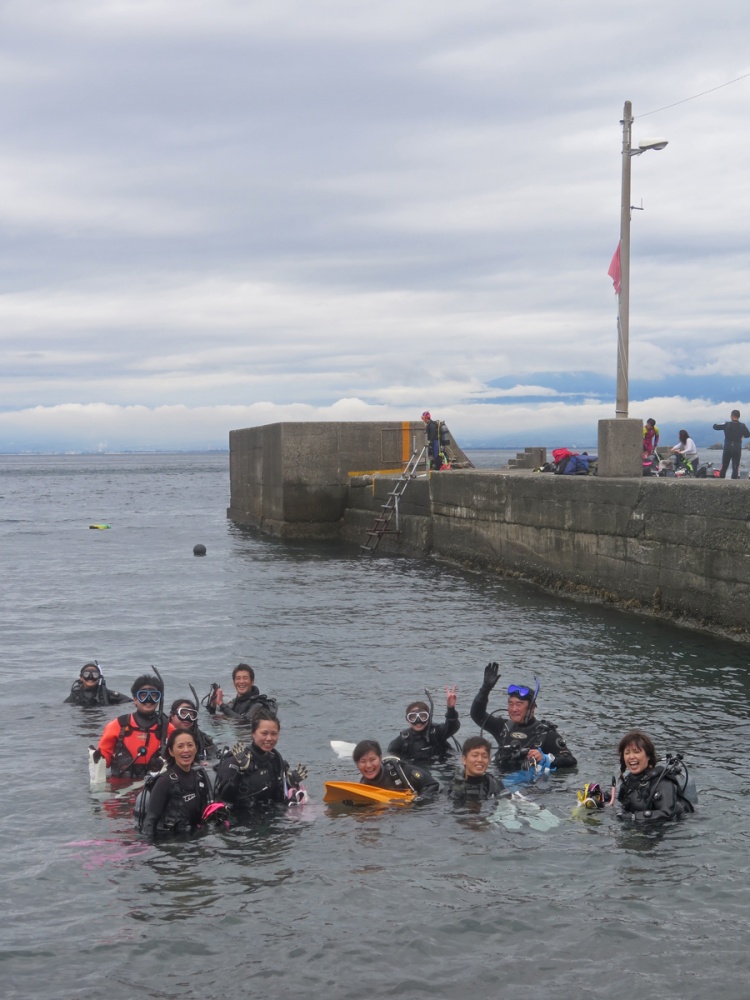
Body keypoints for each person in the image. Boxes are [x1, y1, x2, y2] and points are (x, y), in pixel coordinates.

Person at [470, 662, 577, 773]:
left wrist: (545, 758)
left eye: (519, 704)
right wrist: (485, 689)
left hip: (529, 786)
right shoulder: (503, 728)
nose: (513, 709)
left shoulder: (546, 735)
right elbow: (477, 715)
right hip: (500, 782)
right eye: (510, 704)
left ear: (532, 708)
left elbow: (570, 760)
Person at [214, 710, 306, 812]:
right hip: (241, 821)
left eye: (274, 734)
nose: (269, 738)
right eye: (264, 733)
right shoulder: (235, 761)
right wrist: (240, 771)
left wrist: (290, 783)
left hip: (270, 818)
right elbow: (224, 798)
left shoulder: (275, 761)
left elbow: (278, 799)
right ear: (253, 733)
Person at [137, 730, 215, 839]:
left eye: (190, 745)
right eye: (180, 746)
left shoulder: (199, 777)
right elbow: (150, 821)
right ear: (171, 751)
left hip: (194, 838)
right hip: (170, 841)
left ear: (196, 748)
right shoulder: (164, 781)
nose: (186, 750)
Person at [93, 673, 172, 779]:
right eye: (143, 695)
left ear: (159, 699)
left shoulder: (168, 728)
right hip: (121, 788)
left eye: (153, 695)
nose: (149, 700)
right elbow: (104, 760)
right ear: (135, 698)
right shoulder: (118, 725)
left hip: (155, 787)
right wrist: (98, 757)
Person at [615, 730, 696, 823]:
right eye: (627, 753)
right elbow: (622, 804)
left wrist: (633, 817)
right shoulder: (629, 780)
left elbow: (667, 814)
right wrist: (604, 799)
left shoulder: (662, 782)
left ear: (648, 756)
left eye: (636, 752)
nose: (631, 757)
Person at [387, 686, 460, 762]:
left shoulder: (437, 733)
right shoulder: (403, 741)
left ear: (429, 717)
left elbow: (452, 727)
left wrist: (451, 709)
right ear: (407, 719)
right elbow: (389, 759)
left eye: (422, 716)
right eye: (413, 717)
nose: (418, 721)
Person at [352, 739, 439, 800]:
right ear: (357, 764)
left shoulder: (400, 771)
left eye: (372, 760)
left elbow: (433, 784)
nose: (368, 766)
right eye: (363, 761)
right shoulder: (363, 785)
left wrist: (420, 799)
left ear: (380, 758)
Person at [206, 663, 277, 724]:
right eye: (238, 678)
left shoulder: (258, 705)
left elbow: (244, 721)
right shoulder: (233, 703)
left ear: (252, 682)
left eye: (245, 678)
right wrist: (213, 703)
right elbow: (213, 715)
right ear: (234, 683)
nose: (241, 682)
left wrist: (221, 704)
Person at [449, 736, 505, 804]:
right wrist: (456, 795)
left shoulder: (495, 785)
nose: (480, 760)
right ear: (464, 759)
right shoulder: (452, 788)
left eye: (484, 756)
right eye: (475, 755)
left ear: (489, 760)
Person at [64, 661, 129, 706]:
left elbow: (129, 702)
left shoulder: (106, 694)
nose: (90, 677)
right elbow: (64, 707)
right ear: (81, 677)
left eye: (95, 674)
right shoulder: (75, 695)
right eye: (86, 674)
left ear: (99, 678)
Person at [713, 409, 750, 480]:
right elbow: (748, 434)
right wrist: (742, 436)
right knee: (735, 466)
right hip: (737, 446)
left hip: (727, 446)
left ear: (731, 416)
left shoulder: (727, 424)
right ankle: (734, 481)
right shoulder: (742, 426)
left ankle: (721, 481)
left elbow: (715, 427)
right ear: (739, 417)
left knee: (724, 465)